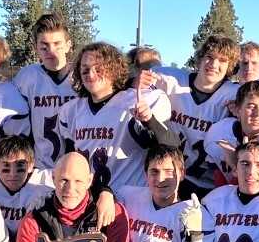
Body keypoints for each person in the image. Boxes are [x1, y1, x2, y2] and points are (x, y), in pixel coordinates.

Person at [57, 41, 178, 190]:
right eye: (85, 69)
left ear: (114, 69)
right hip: (86, 200)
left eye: (98, 69)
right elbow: (69, 159)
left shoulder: (141, 99)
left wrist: (149, 120)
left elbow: (172, 145)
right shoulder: (71, 110)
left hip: (128, 201)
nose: (91, 74)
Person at [165, 35, 239, 196]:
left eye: (222, 60)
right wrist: (137, 82)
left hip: (209, 185)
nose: (214, 64)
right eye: (209, 57)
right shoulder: (172, 80)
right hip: (169, 177)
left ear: (230, 67)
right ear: (199, 58)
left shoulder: (234, 94)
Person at [12, 14, 79, 170]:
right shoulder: (27, 76)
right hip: (40, 168)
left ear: (69, 45)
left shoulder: (82, 75)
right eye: (44, 46)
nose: (51, 51)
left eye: (57, 44)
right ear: (36, 47)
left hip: (76, 169)